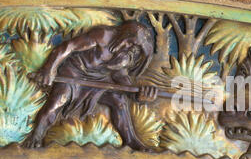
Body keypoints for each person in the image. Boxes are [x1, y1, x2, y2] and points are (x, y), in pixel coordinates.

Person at [23, 21, 158, 150]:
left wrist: (135, 94)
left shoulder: (130, 54)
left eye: (137, 48)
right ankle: (36, 136)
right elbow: (68, 47)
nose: (131, 48)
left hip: (100, 80)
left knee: (119, 101)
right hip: (74, 72)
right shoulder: (103, 35)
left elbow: (119, 75)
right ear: (125, 35)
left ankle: (130, 141)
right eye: (130, 43)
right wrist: (49, 69)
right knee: (58, 100)